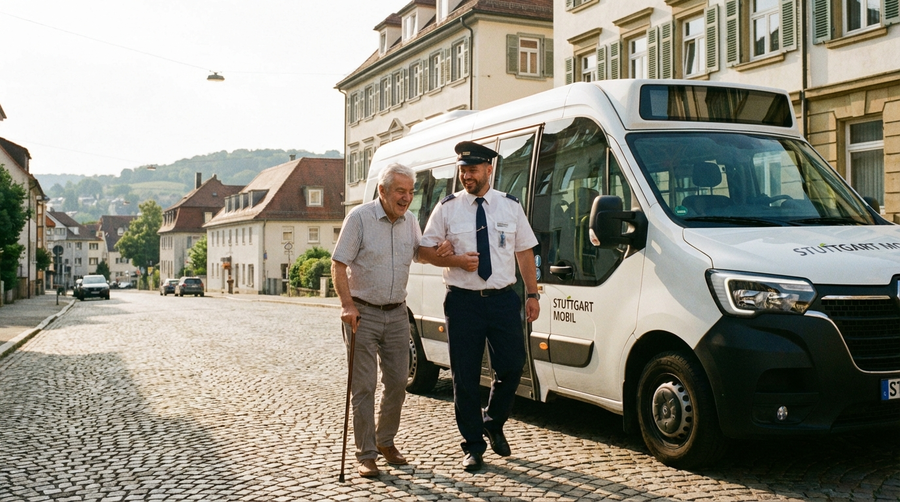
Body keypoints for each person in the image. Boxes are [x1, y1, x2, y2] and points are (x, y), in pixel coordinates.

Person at [418, 141, 541, 472]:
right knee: (465, 377)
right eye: (462, 170)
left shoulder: (510, 206)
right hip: (462, 302)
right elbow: (422, 251)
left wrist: (532, 293)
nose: (465, 176)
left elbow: (526, 251)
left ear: (490, 169)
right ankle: (473, 444)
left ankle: (493, 420)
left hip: (503, 299)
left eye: (472, 170)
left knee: (513, 366)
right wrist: (454, 259)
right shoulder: (447, 208)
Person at [332, 162, 451, 478]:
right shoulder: (359, 219)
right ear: (382, 191)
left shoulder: (410, 220)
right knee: (364, 386)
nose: (407, 198)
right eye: (401, 191)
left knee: (398, 382)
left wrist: (445, 253)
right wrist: (346, 304)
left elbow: (421, 253)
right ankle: (366, 453)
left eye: (411, 192)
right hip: (363, 313)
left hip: (398, 312)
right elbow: (338, 264)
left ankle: (386, 442)